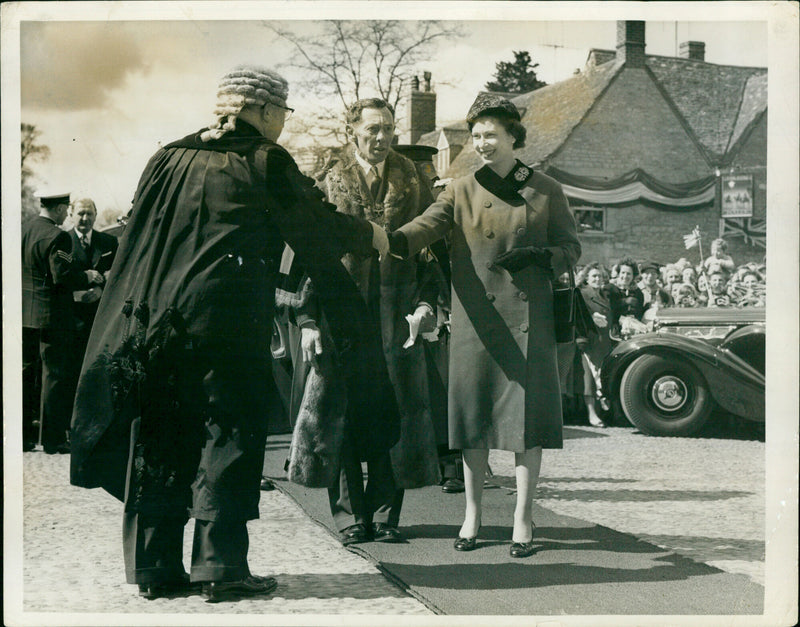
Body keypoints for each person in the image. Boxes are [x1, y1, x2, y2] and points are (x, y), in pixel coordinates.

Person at [69, 65, 393, 602]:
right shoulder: (263, 159)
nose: (283, 124)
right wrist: (373, 234)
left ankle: (154, 567)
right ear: (264, 112)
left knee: (162, 433)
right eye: (283, 114)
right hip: (226, 321)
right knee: (227, 433)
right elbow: (312, 224)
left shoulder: (168, 156)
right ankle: (219, 568)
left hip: (154, 322)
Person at [388, 94, 581, 558]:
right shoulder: (459, 188)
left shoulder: (546, 189)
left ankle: (522, 518)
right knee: (472, 422)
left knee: (525, 426)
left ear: (514, 136)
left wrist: (544, 257)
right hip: (476, 320)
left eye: (490, 135)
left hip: (527, 321)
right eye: (476, 137)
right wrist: (390, 240)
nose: (482, 144)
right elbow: (428, 225)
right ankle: (472, 513)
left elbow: (571, 248)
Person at [285, 98, 444, 546]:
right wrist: (308, 318)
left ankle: (385, 514)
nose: (381, 137)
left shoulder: (413, 182)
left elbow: (429, 252)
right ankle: (350, 516)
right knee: (343, 415)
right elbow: (309, 258)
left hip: (397, 321)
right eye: (372, 129)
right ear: (352, 130)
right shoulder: (327, 182)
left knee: (394, 417)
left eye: (388, 129)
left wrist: (427, 305)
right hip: (343, 318)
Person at [22, 192, 101, 453]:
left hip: (25, 316)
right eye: (65, 209)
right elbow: (62, 273)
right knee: (53, 377)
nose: (66, 214)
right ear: (57, 209)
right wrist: (88, 275)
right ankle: (53, 439)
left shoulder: (24, 230)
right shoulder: (59, 238)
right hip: (51, 317)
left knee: (26, 375)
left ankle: (24, 437)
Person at [68, 197, 119, 356]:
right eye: (80, 213)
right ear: (71, 215)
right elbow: (59, 276)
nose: (85, 218)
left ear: (96, 215)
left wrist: (101, 290)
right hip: (73, 316)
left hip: (101, 314)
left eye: (89, 213)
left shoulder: (109, 241)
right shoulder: (62, 241)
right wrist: (75, 294)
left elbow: (117, 274)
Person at [576, 263, 613, 427]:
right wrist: (592, 316)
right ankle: (592, 414)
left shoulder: (604, 295)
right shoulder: (583, 294)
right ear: (587, 279)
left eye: (600, 276)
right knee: (589, 378)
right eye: (594, 276)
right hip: (589, 340)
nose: (597, 279)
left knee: (601, 375)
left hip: (604, 341)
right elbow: (578, 314)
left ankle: (602, 411)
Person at [608, 257, 645, 338]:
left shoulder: (637, 292)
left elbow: (639, 312)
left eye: (628, 274)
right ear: (618, 274)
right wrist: (624, 301)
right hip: (613, 330)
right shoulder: (610, 288)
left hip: (632, 330)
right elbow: (608, 307)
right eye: (623, 273)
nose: (625, 276)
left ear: (633, 276)